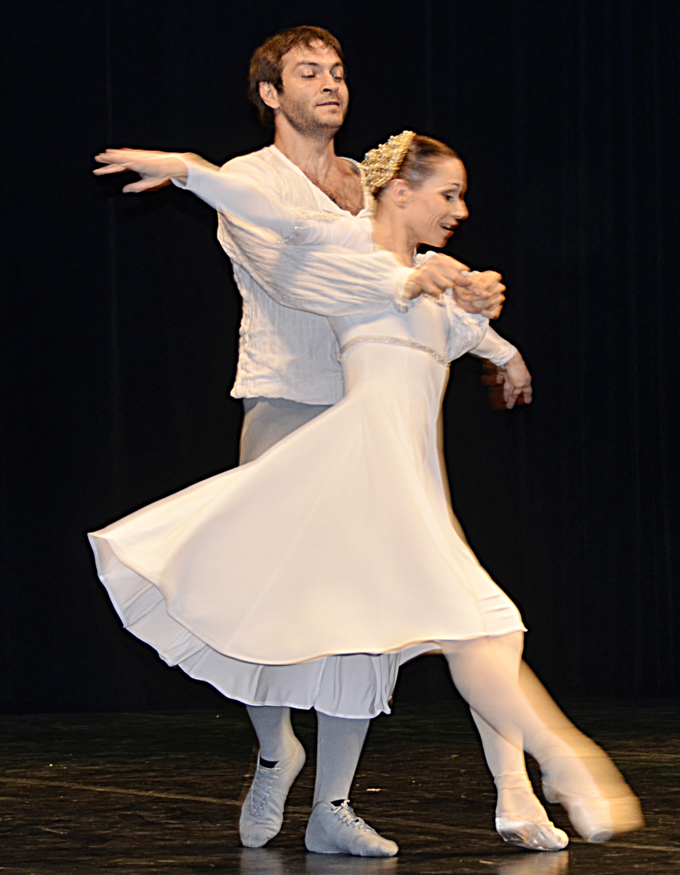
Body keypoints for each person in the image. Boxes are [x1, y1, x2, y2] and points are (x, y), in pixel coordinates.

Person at [90, 132, 642, 856]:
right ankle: (559, 759)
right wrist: (189, 171)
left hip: (411, 479)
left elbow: (459, 330)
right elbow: (270, 214)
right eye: (448, 194)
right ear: (401, 192)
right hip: (367, 465)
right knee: (475, 624)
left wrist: (502, 345)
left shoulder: (432, 277)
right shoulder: (345, 252)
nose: (460, 210)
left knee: (481, 627)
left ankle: (519, 780)